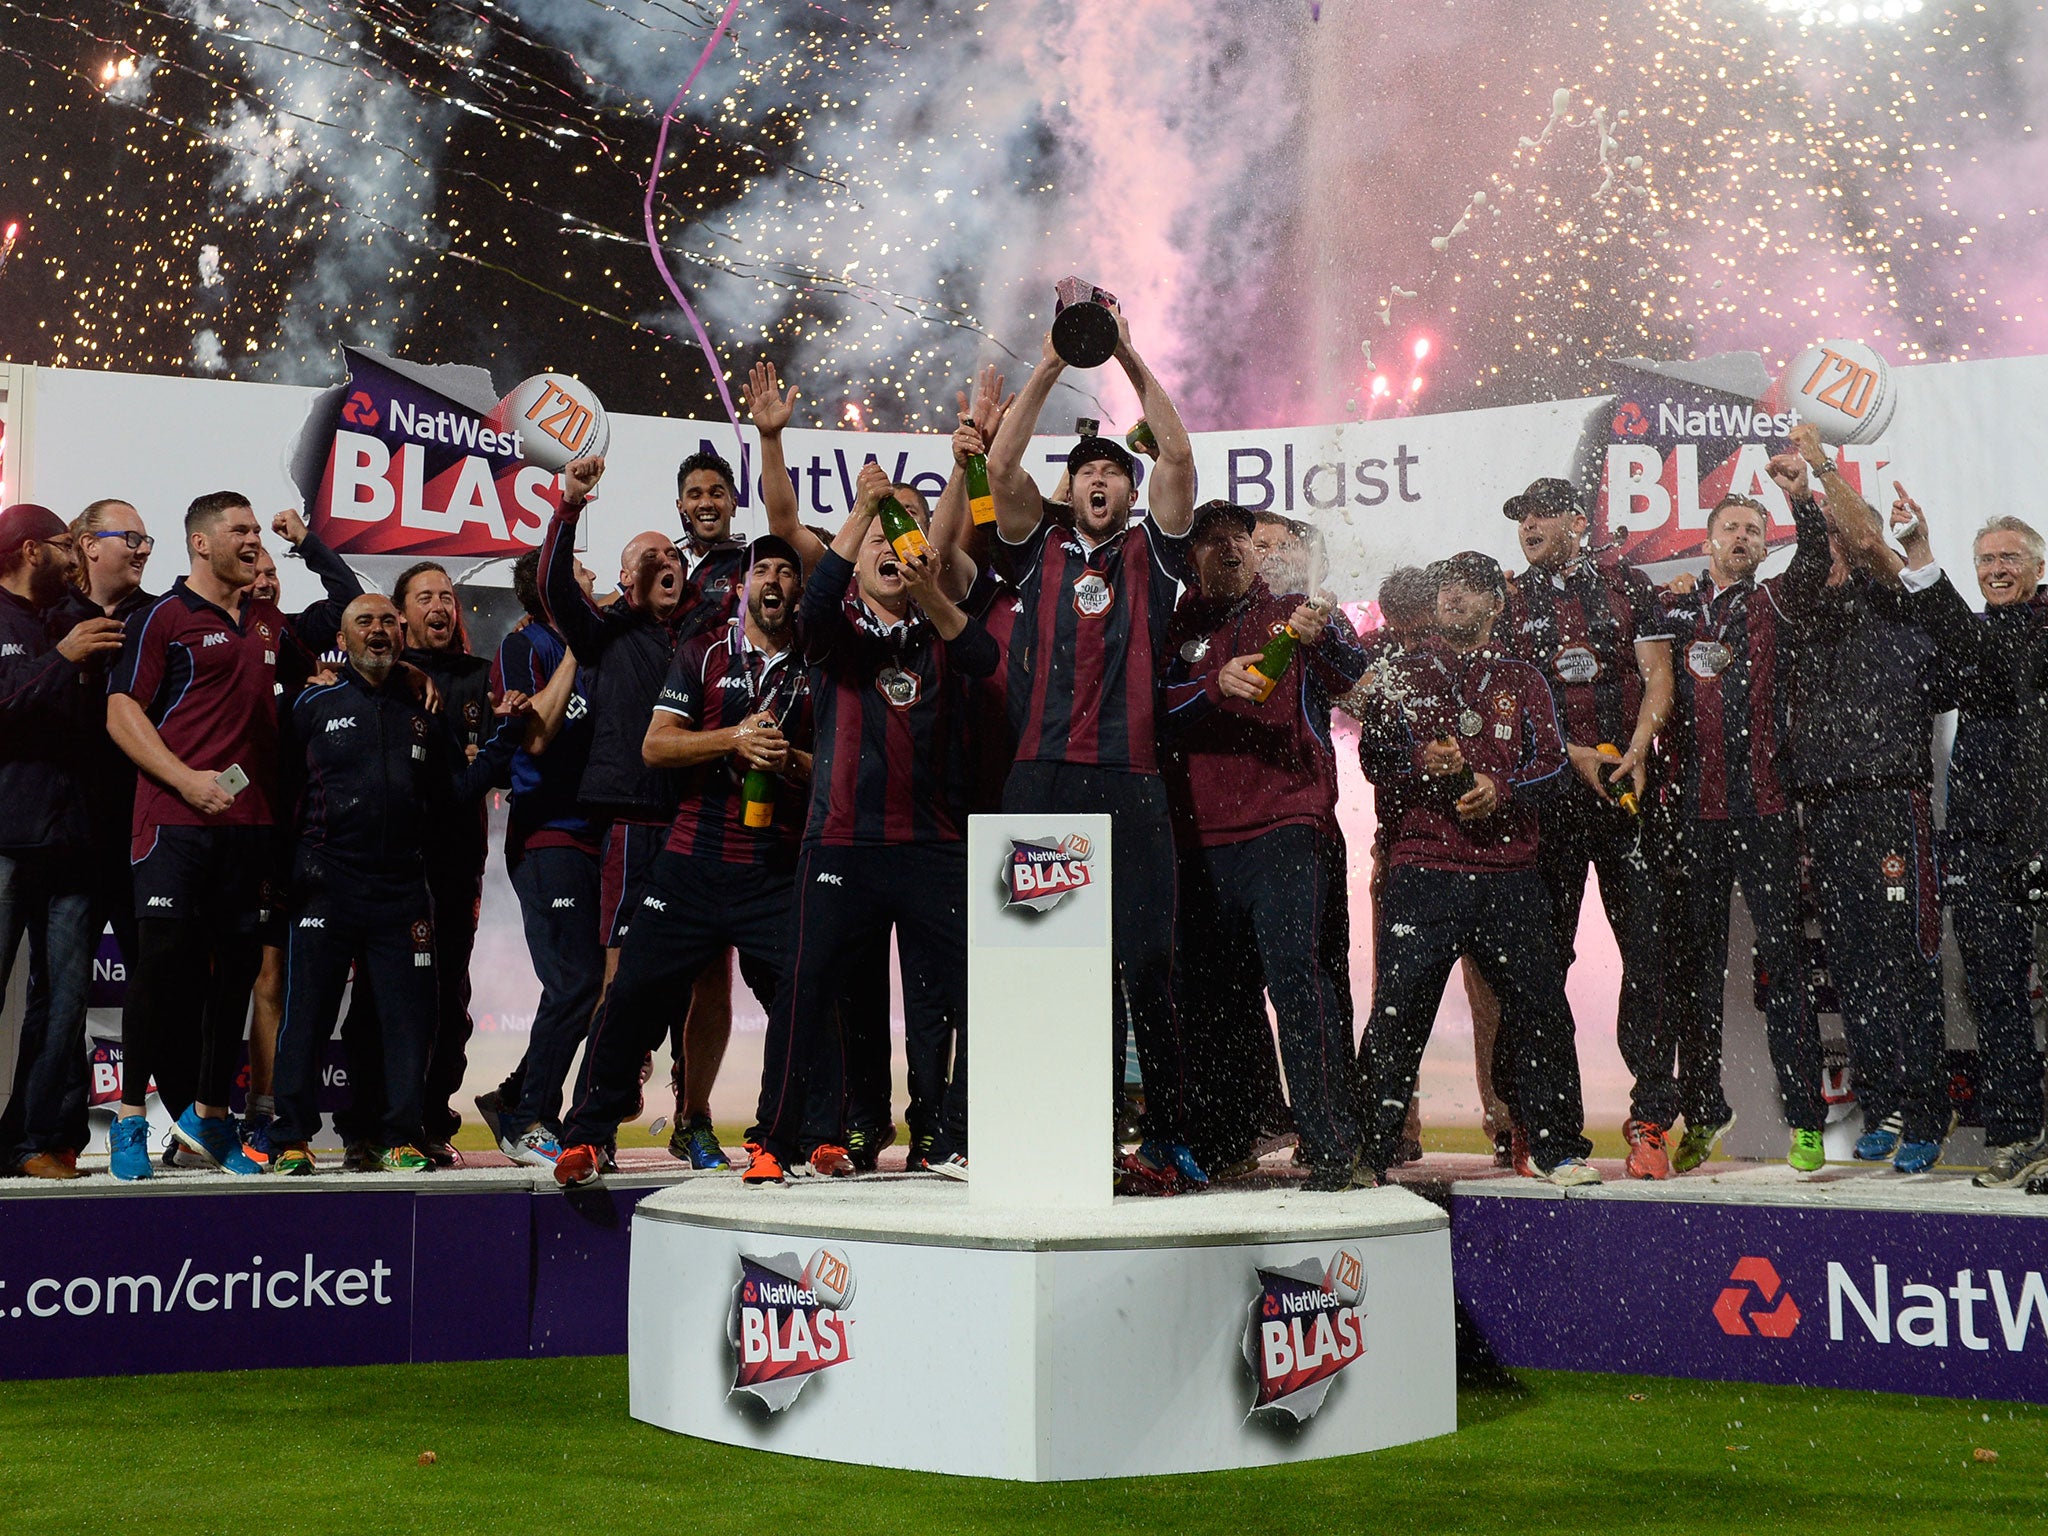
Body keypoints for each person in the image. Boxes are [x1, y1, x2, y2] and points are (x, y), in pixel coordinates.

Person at [985, 308, 1205, 1194]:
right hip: (1038, 780)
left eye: (1116, 471)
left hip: (1133, 782)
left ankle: (1168, 1138)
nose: (1103, 482)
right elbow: (997, 467)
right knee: (1034, 959)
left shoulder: (1156, 551)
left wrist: (1120, 352)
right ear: (1068, 491)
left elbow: (1180, 460)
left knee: (1148, 962)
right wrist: (1049, 363)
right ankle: (1040, 1130)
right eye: (1089, 474)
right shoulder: (1031, 546)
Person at [552, 500, 812, 1188]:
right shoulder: (703, 653)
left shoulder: (816, 667)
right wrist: (733, 737)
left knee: (802, 997)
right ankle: (586, 1137)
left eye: (789, 573)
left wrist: (787, 760)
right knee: (631, 995)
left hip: (772, 869)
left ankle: (776, 1141)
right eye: (766, 572)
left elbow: (832, 769)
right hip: (690, 863)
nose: (777, 583)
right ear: (745, 586)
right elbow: (655, 745)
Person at [770, 462, 999, 1181]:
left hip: (935, 848)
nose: (887, 544)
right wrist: (862, 513)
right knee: (805, 992)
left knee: (985, 996)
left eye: (901, 527)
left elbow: (985, 658)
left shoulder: (946, 625)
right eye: (875, 530)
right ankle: (777, 1144)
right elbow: (808, 614)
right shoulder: (834, 634)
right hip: (842, 846)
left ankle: (958, 1138)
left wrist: (932, 590)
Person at [1354, 551, 1597, 1186]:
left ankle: (1557, 1147)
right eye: (1445, 587)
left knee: (1541, 1008)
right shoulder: (1399, 673)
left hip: (1509, 873)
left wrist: (1500, 788)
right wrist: (1417, 761)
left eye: (1470, 587)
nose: (1453, 596)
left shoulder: (1525, 678)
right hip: (1423, 867)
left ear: (1497, 603)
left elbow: (1551, 768)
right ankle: (1366, 1153)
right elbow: (1375, 758)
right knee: (1399, 1008)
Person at [267, 594, 529, 1173]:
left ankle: (397, 1136)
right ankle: (289, 1138)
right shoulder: (311, 706)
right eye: (366, 622)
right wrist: (280, 878)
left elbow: (458, 791)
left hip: (401, 892)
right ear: (345, 638)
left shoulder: (421, 718)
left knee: (409, 1021)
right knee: (307, 1015)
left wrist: (508, 735)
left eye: (388, 621)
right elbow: (280, 794)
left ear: (402, 635)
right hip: (325, 884)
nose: (379, 630)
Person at [1161, 500, 1372, 1189]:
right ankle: (1227, 1140)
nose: (1227, 550)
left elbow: (1364, 683)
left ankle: (1332, 1145)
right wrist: (1211, 686)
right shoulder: (1173, 627)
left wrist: (1323, 636)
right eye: (1210, 540)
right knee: (1211, 999)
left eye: (1238, 539)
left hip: (1289, 823)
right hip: (1199, 836)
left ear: (1256, 550)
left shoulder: (1298, 610)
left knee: (1301, 984)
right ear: (1189, 556)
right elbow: (1152, 709)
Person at [104, 491, 311, 1180]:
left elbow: (330, 663)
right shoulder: (164, 617)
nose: (255, 539)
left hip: (249, 828)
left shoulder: (269, 622)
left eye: (256, 529)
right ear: (201, 543)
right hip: (172, 821)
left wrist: (398, 671)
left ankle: (210, 1118)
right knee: (162, 970)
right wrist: (185, 778)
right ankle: (130, 1121)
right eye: (241, 530)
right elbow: (121, 711)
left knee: (238, 977)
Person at [1770, 434, 1957, 1174]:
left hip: (1892, 800)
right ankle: (1882, 1105)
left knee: (1907, 963)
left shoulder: (1902, 606)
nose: (1838, 556)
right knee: (1851, 965)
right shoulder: (1804, 616)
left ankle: (1928, 1114)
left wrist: (1826, 476)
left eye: (1849, 542)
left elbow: (1879, 547)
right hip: (1825, 807)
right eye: (1831, 544)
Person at [537, 469, 721, 1166]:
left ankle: (693, 1120)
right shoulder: (605, 634)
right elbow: (556, 589)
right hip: (636, 825)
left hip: (704, 822)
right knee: (623, 982)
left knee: (705, 983)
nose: (664, 565)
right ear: (623, 578)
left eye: (671, 558)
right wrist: (569, 505)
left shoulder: (711, 634)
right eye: (648, 561)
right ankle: (597, 1127)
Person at [1498, 476, 1679, 1178]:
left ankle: (1652, 1121)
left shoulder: (1628, 585)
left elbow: (1658, 677)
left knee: (1650, 957)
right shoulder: (1511, 601)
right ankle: (1535, 1120)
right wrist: (1570, 756)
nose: (1529, 525)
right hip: (1547, 806)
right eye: (1520, 516)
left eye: (1542, 512)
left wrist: (1637, 748)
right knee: (1539, 967)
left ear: (1578, 518)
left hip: (1628, 800)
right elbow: (1510, 700)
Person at [1653, 476, 1832, 1173]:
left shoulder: (1775, 603)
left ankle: (1807, 1122)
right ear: (1707, 541)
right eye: (1731, 528)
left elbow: (1813, 557)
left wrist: (1801, 500)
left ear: (1765, 546)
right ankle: (1703, 1110)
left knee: (1784, 967)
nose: (1742, 539)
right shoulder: (1674, 611)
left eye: (1754, 532)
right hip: (1692, 815)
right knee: (1694, 973)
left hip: (1764, 813)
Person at [1893, 498, 2048, 1189]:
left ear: (2038, 568)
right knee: (1995, 995)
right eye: (1985, 559)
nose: (1995, 569)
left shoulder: (2038, 628)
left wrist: (1921, 557)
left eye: (2009, 557)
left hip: (2040, 836)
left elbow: (1985, 650)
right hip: (1981, 845)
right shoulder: (1976, 638)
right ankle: (2019, 1139)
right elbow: (1948, 669)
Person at [235, 508, 365, 1165]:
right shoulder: (218, 633)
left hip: (292, 835)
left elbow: (347, 595)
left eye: (269, 571)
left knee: (278, 976)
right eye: (250, 567)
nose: (263, 578)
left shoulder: (293, 635)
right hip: (230, 826)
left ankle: (267, 1115)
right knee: (238, 976)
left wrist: (305, 543)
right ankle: (214, 1112)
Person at [0, 505, 125, 1177]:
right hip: (7, 834)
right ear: (26, 551)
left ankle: (34, 1141)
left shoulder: (72, 618)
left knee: (64, 1000)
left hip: (75, 842)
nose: (71, 558)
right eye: (59, 548)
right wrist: (61, 659)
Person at [476, 550, 603, 1167]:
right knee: (575, 980)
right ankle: (527, 1119)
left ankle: (511, 1099)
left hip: (597, 837)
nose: (595, 581)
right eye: (581, 574)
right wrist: (578, 643)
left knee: (595, 985)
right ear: (550, 590)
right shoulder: (525, 648)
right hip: (547, 834)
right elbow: (536, 735)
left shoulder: (596, 646)